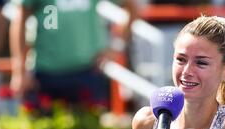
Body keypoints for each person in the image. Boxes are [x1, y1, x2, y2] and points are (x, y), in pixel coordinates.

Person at [10, 0, 138, 108]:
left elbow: (132, 7)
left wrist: (116, 47)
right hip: (44, 73)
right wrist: (19, 71)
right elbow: (20, 19)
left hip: (88, 72)